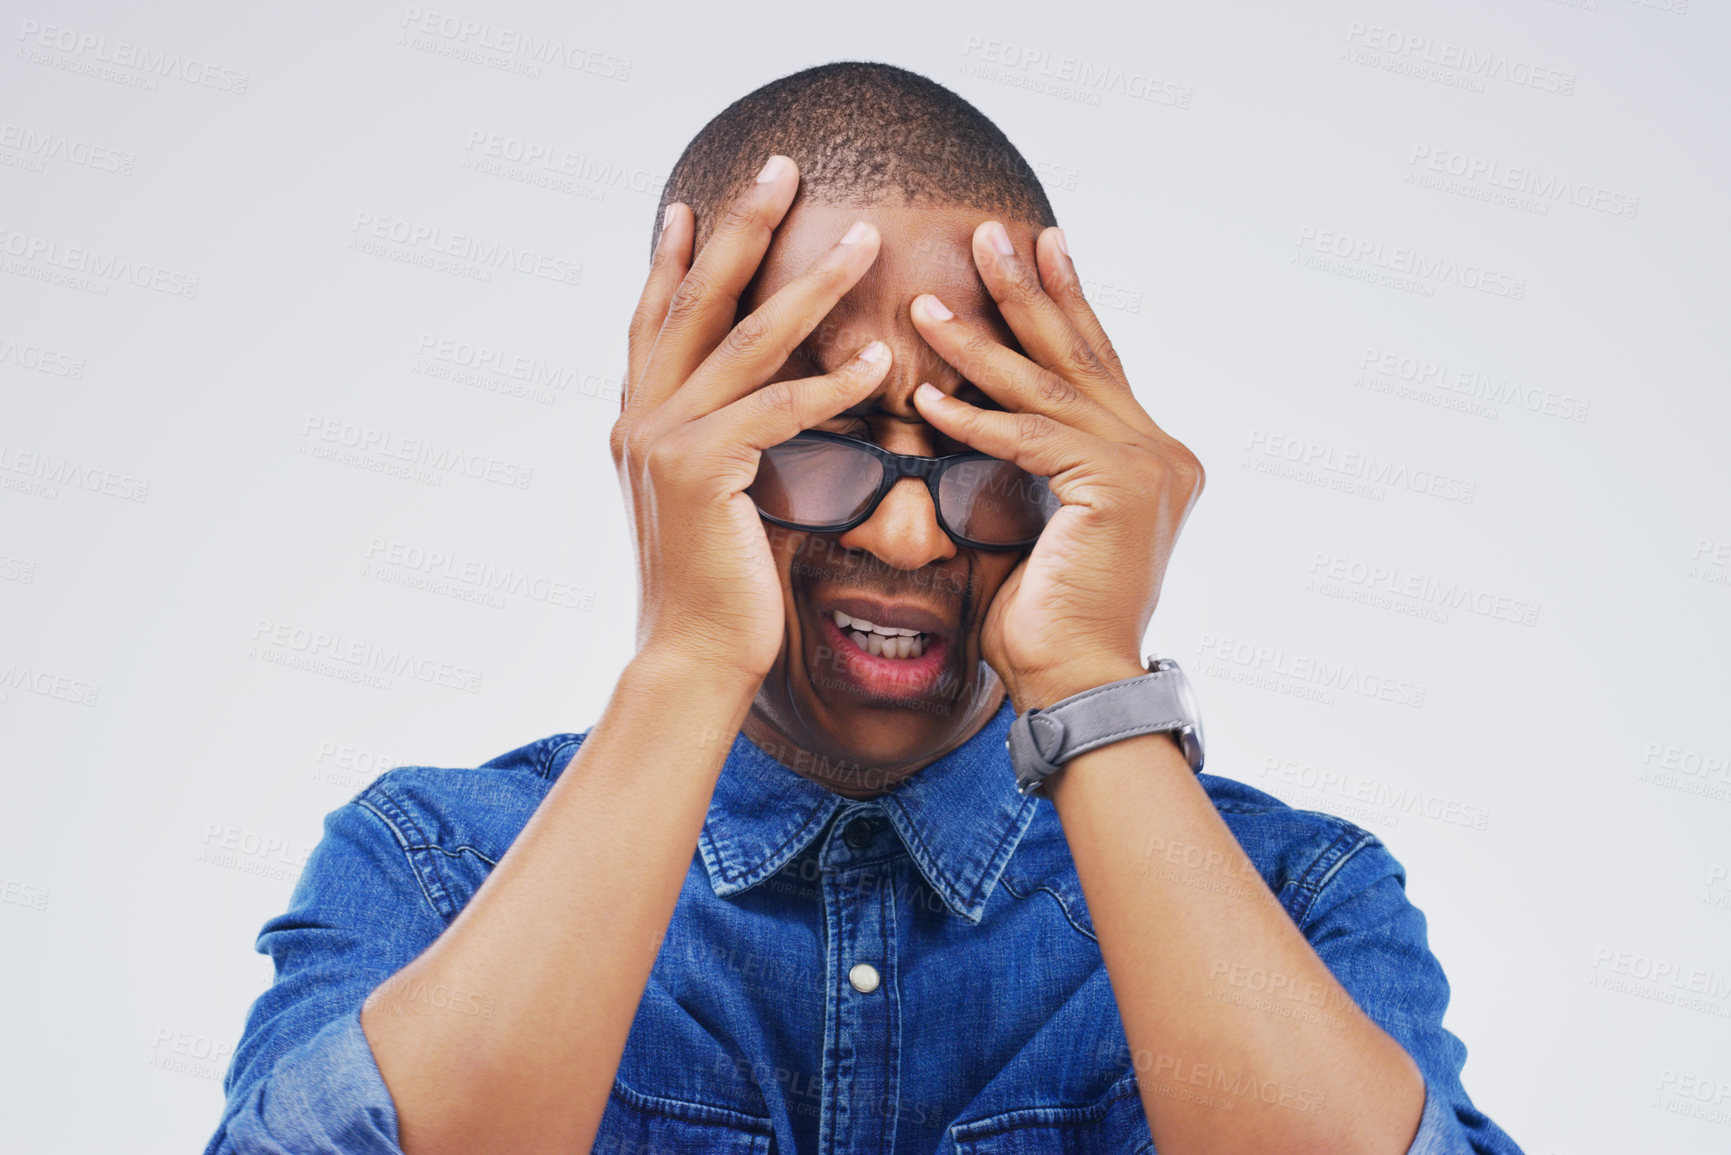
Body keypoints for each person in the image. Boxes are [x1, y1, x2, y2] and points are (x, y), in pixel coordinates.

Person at [204, 61, 1525, 1155]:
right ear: (676, 437)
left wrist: (1088, 676)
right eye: (817, 433)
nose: (904, 528)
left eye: (981, 446)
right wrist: (691, 654)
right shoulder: (434, 868)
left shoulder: (1297, 900)